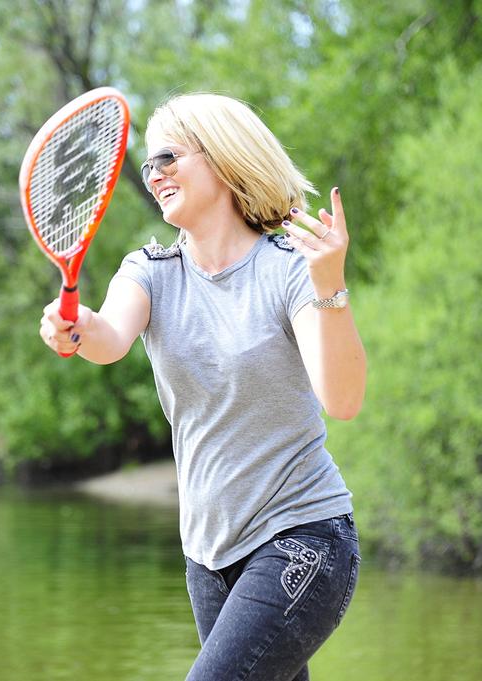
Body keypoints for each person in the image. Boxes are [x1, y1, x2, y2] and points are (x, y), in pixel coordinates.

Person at [38, 93, 367, 681]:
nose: (154, 173)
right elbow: (108, 337)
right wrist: (74, 328)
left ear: (222, 158)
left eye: (168, 156)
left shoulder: (289, 267)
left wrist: (331, 286)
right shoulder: (152, 271)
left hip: (303, 536)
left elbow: (342, 401)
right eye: (147, 164)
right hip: (207, 556)